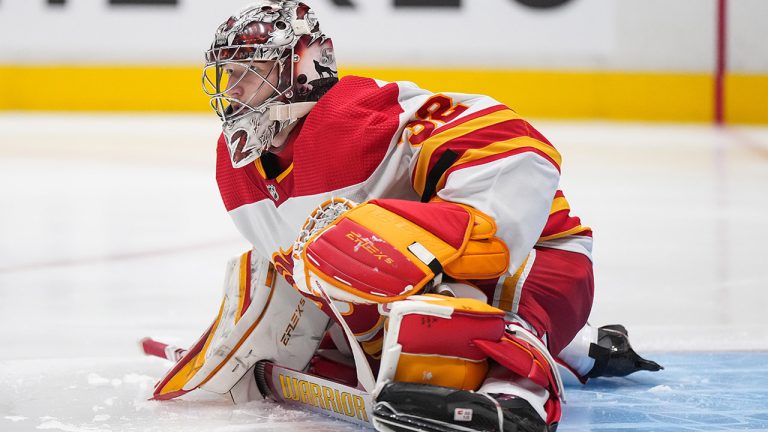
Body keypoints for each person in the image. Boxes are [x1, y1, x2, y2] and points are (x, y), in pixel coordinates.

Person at [151, 2, 661, 430]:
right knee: (277, 271)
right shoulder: (234, 165)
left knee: (361, 244)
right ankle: (583, 346)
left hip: (541, 261)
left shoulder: (356, 116)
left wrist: (474, 230)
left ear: (297, 70)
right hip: (427, 285)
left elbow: (520, 143)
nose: (233, 89)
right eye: (229, 74)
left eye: (249, 72)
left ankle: (519, 392)